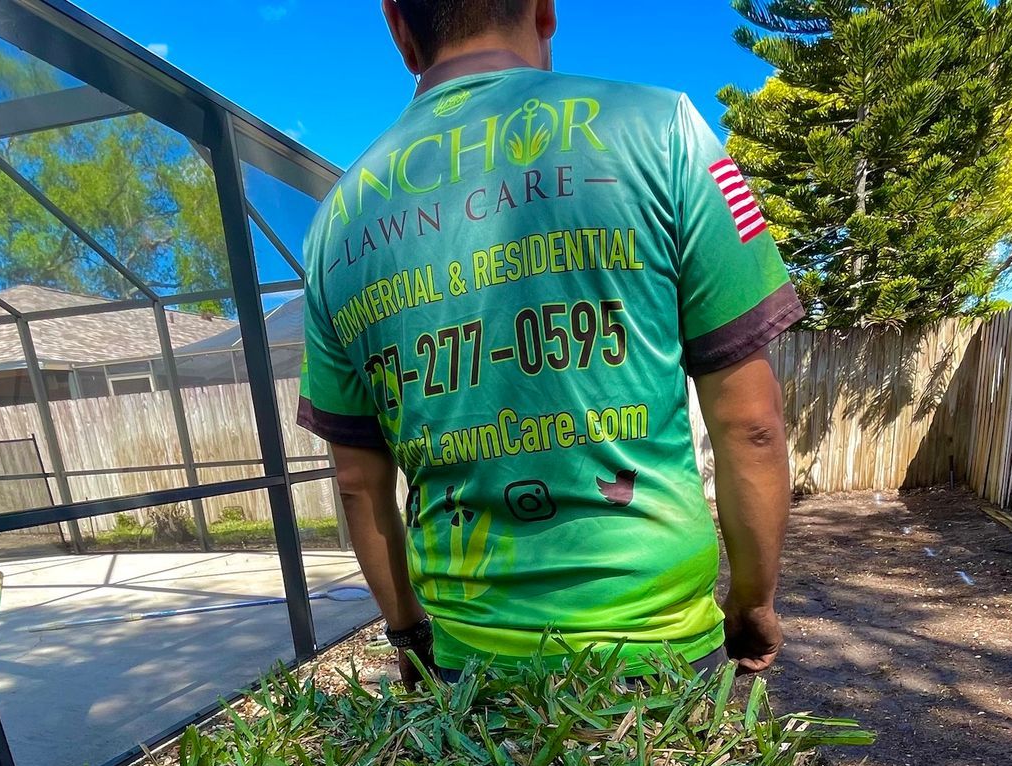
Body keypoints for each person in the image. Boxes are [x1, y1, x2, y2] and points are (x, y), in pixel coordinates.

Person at [295, 0, 801, 683]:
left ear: (399, 28)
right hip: (662, 654)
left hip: (468, 668)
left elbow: (359, 485)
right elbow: (752, 425)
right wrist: (752, 604)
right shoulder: (667, 132)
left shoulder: (333, 228)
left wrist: (410, 635)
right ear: (543, 9)